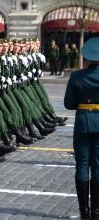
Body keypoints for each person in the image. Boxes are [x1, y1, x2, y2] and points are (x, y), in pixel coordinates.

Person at [64, 37, 99, 220]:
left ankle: (84, 212)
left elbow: (69, 104)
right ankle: (96, 212)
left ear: (86, 57)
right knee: (98, 167)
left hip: (83, 124)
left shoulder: (76, 76)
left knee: (82, 165)